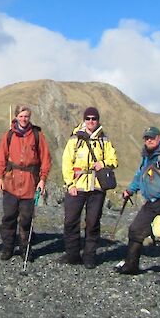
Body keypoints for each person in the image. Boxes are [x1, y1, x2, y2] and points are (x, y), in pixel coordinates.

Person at [115, 126, 160, 286]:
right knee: (135, 230)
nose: (149, 140)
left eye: (152, 137)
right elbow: (140, 176)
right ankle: (131, 265)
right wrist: (130, 190)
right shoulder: (147, 158)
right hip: (152, 202)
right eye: (146, 138)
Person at [60, 107, 118, 269]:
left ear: (98, 120)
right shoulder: (75, 139)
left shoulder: (104, 140)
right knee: (70, 222)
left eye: (94, 118)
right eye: (88, 118)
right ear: (84, 120)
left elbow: (114, 159)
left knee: (93, 223)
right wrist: (69, 183)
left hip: (97, 188)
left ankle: (89, 256)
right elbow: (66, 162)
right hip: (77, 186)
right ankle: (72, 255)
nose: (91, 121)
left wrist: (103, 164)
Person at [0, 105, 52, 262]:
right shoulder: (9, 135)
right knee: (9, 217)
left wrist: (42, 179)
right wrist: (0, 177)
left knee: (26, 219)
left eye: (26, 116)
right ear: (16, 117)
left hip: (29, 183)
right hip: (10, 182)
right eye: (21, 116)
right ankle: (7, 248)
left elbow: (45, 158)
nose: (24, 119)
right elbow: (1, 156)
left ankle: (25, 249)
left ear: (29, 117)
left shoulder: (37, 135)